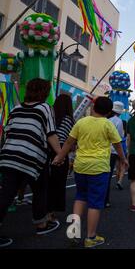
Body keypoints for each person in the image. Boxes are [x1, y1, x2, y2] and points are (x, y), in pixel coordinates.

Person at [53, 97, 127, 248]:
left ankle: (73, 233)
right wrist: (123, 159)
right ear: (108, 111)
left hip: (80, 167)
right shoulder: (108, 124)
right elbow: (117, 144)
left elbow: (69, 142)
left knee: (80, 197)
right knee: (95, 202)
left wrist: (59, 157)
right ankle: (91, 237)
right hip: (99, 168)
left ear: (93, 107)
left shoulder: (82, 122)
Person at [0, 79, 62, 248]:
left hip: (9, 155)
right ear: (44, 92)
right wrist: (60, 154)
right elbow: (51, 134)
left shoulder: (16, 108)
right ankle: (41, 225)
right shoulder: (45, 108)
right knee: (40, 189)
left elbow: (7, 131)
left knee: (6, 193)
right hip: (31, 157)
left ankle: (40, 223)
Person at [48, 94, 75, 222]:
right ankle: (51, 213)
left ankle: (43, 211)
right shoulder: (68, 120)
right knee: (58, 184)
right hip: (61, 153)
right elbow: (69, 142)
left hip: (46, 152)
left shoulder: (50, 116)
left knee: (46, 183)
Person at [104, 102, 125, 208]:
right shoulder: (118, 121)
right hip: (112, 151)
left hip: (102, 151)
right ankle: (105, 200)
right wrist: (123, 157)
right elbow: (119, 137)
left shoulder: (105, 119)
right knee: (107, 175)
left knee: (100, 175)